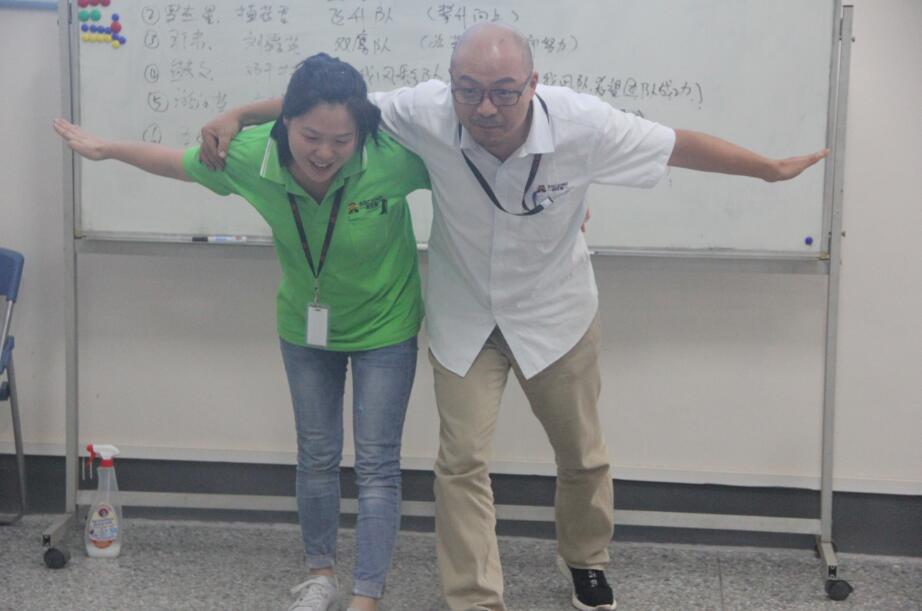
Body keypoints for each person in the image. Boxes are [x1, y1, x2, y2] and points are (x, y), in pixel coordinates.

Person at [197, 24, 828, 611]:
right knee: (461, 463)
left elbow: (675, 145)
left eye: (503, 91)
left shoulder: (582, 123)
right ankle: (474, 597)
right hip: (466, 316)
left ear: (532, 83)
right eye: (469, 91)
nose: (485, 108)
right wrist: (239, 115)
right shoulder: (427, 111)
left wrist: (768, 170)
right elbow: (331, 107)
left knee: (582, 455)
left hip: (556, 313)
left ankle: (585, 560)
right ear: (451, 85)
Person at [55, 53, 431, 611]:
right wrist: (107, 149)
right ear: (285, 123)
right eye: (311, 137)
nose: (325, 152)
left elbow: (465, 173)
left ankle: (366, 595)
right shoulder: (254, 155)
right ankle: (320, 575)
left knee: (378, 463)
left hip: (387, 326)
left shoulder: (391, 155)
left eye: (341, 140)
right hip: (306, 329)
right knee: (317, 455)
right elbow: (177, 163)